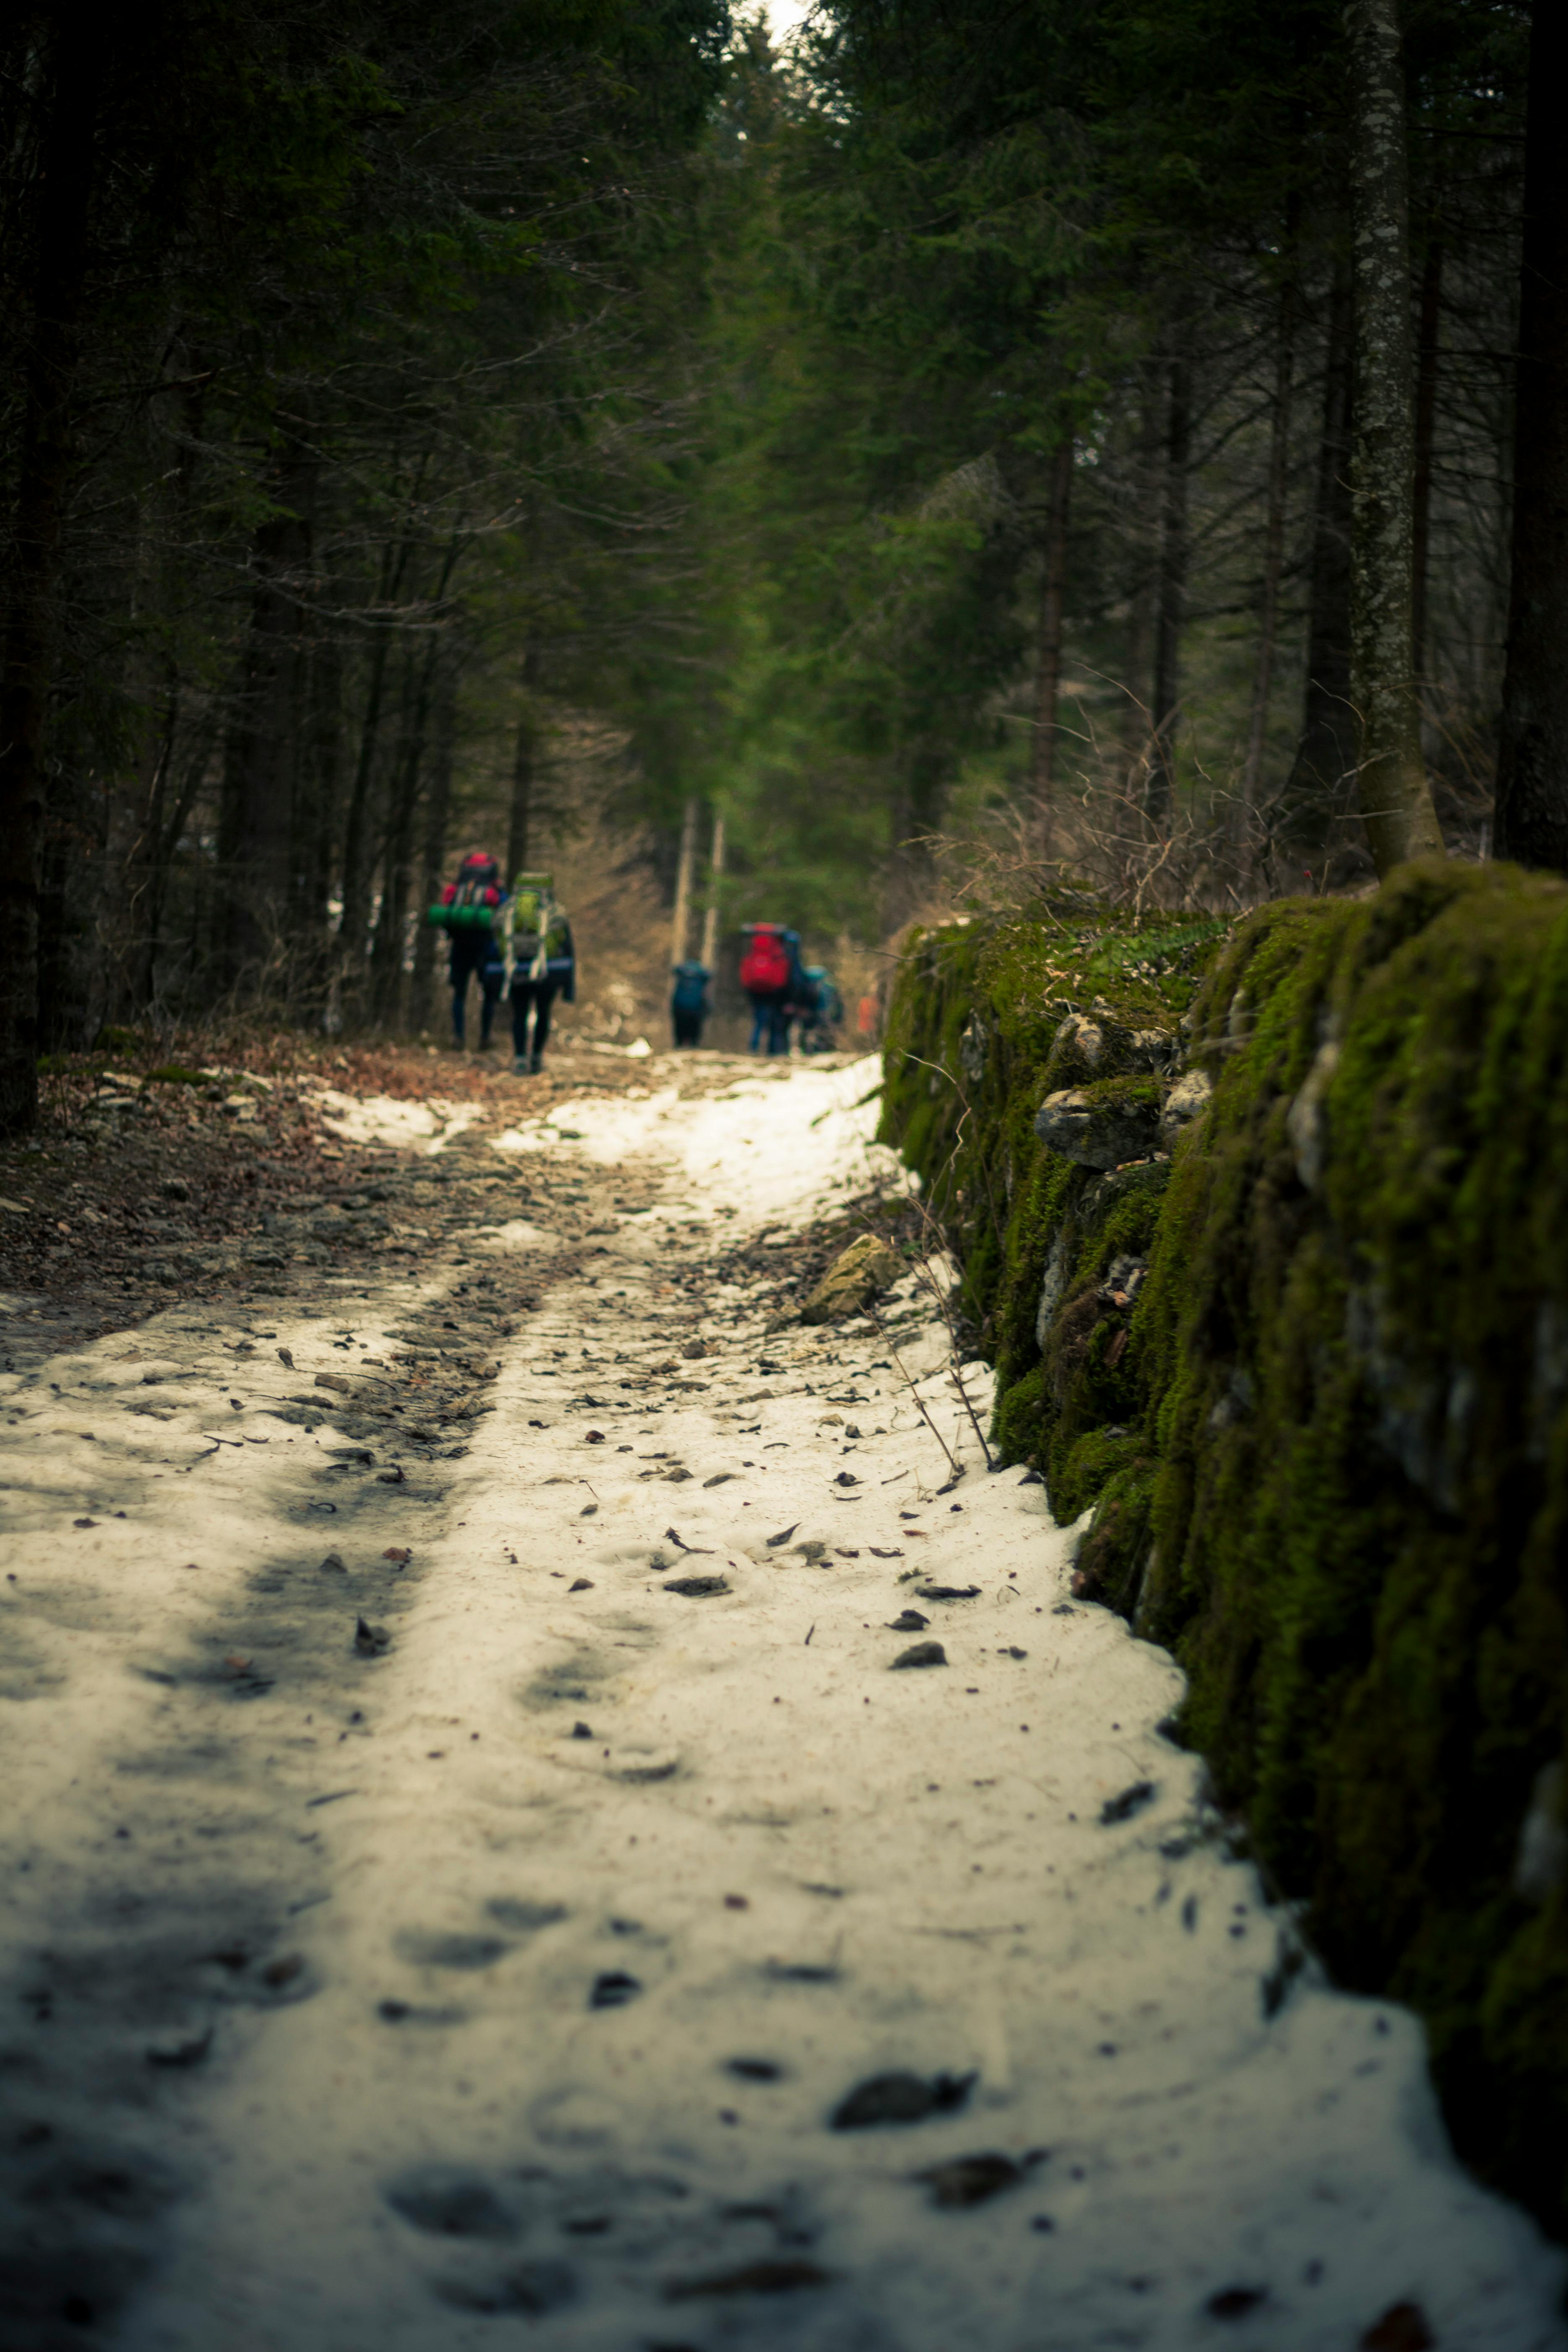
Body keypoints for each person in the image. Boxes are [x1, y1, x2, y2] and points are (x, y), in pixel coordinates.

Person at [433, 850, 505, 1051]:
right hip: (485, 949)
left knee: (459, 994)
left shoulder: (456, 890)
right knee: (488, 995)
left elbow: (446, 916)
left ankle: (458, 1036)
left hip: (459, 947)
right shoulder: (493, 891)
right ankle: (485, 1036)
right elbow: (504, 913)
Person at [507, 871, 575, 1075]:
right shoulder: (556, 912)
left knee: (520, 1014)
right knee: (543, 1013)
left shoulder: (510, 911)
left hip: (517, 967)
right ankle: (536, 1056)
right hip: (549, 971)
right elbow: (568, 949)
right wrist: (568, 987)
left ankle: (520, 1057)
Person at [740, 922, 794, 1055]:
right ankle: (773, 1051)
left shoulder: (754, 952)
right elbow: (785, 975)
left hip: (755, 991)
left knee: (758, 1021)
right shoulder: (778, 952)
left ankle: (754, 1048)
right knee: (775, 1022)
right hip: (774, 992)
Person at [671, 957, 710, 1048]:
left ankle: (680, 1045)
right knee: (694, 1031)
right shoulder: (702, 974)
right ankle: (693, 1045)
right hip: (696, 1008)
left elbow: (674, 970)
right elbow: (709, 976)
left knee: (680, 1028)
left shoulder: (681, 972)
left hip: (680, 1007)